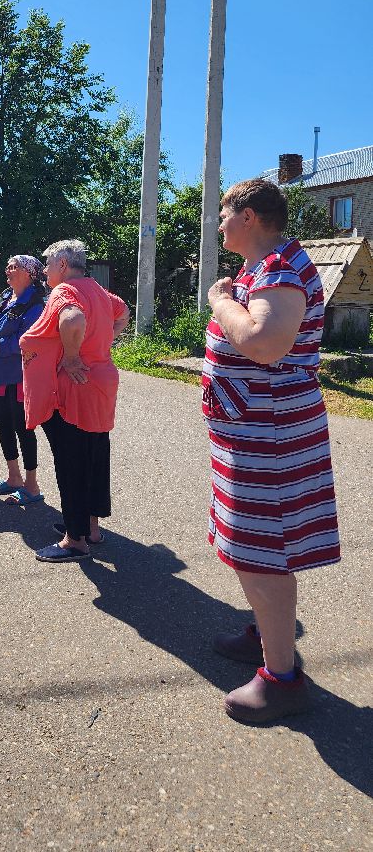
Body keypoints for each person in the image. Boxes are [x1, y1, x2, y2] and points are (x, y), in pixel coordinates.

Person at [203, 178, 340, 723]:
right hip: (254, 433)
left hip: (272, 436)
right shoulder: (264, 269)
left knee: (265, 550)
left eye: (224, 213)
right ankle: (268, 636)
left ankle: (281, 680)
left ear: (251, 217)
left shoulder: (280, 267)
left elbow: (264, 343)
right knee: (255, 543)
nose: (218, 223)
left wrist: (218, 302)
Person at [19, 240, 130, 563]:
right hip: (100, 383)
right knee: (94, 457)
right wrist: (102, 343)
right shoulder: (96, 289)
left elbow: (72, 320)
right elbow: (122, 313)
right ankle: (89, 528)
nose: (45, 270)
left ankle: (74, 540)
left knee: (71, 463)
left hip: (75, 386)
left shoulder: (65, 292)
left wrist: (71, 356)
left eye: (48, 264)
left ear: (63, 265)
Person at [0, 256, 46, 505]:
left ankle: (32, 485)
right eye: (7, 265)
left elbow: (29, 337)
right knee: (3, 425)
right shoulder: (5, 298)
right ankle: (13, 477)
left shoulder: (35, 304)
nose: (8, 269)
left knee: (23, 429)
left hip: (19, 377)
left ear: (29, 274)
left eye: (14, 266)